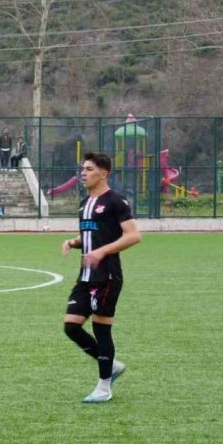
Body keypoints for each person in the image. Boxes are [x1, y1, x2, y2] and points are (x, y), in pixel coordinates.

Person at [62, 152, 142, 404]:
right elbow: (90, 235)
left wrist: (101, 252)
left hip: (107, 275)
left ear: (103, 173)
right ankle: (112, 366)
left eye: (88, 169)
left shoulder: (116, 202)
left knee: (101, 329)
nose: (83, 173)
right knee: (71, 326)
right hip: (85, 276)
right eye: (82, 169)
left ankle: (104, 386)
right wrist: (74, 242)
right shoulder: (84, 203)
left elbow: (133, 236)